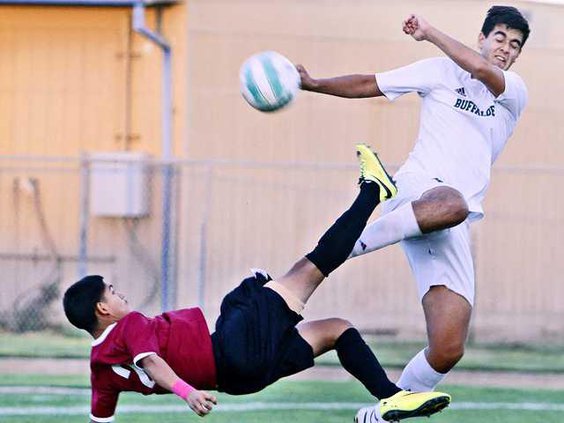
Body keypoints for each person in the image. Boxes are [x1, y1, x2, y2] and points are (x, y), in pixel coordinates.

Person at [63, 144, 451, 423]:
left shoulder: (99, 369)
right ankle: (374, 190)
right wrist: (186, 392)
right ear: (102, 309)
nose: (119, 294)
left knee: (337, 331)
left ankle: (391, 401)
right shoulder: (127, 327)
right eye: (112, 292)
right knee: (310, 267)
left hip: (241, 379)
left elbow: (101, 418)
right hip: (230, 350)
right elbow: (150, 361)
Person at [297, 6, 530, 421]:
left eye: (514, 45)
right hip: (418, 192)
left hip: (451, 219)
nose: (505, 49)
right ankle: (348, 246)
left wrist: (428, 31)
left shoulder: (512, 91)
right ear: (482, 37)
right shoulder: (439, 71)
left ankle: (387, 409)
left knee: (447, 348)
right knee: (452, 202)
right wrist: (313, 84)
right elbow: (371, 83)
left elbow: (480, 70)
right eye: (499, 38)